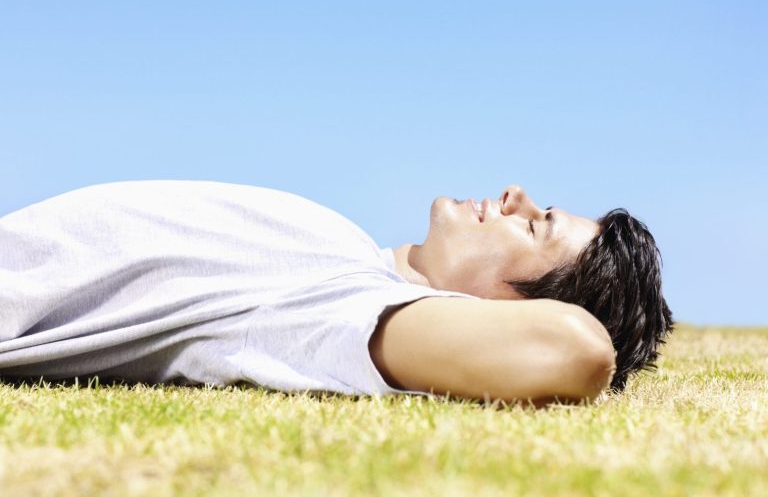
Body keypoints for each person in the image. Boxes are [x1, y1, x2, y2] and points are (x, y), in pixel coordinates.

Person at [0, 180, 673, 405]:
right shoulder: (348, 253)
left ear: (502, 311)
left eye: (534, 225)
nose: (513, 196)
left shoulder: (343, 310)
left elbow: (574, 352)